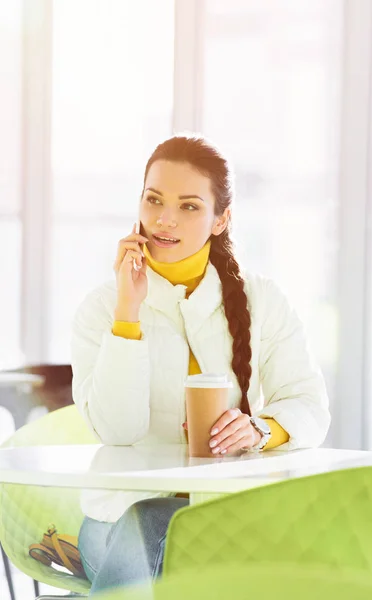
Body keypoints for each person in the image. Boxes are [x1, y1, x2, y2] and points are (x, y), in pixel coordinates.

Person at [71, 134, 330, 594]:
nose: (164, 220)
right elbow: (118, 430)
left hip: (227, 517)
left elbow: (309, 403)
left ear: (220, 219)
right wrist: (128, 314)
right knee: (155, 523)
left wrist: (262, 430)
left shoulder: (261, 300)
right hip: (118, 525)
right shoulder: (103, 308)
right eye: (154, 200)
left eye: (189, 206)